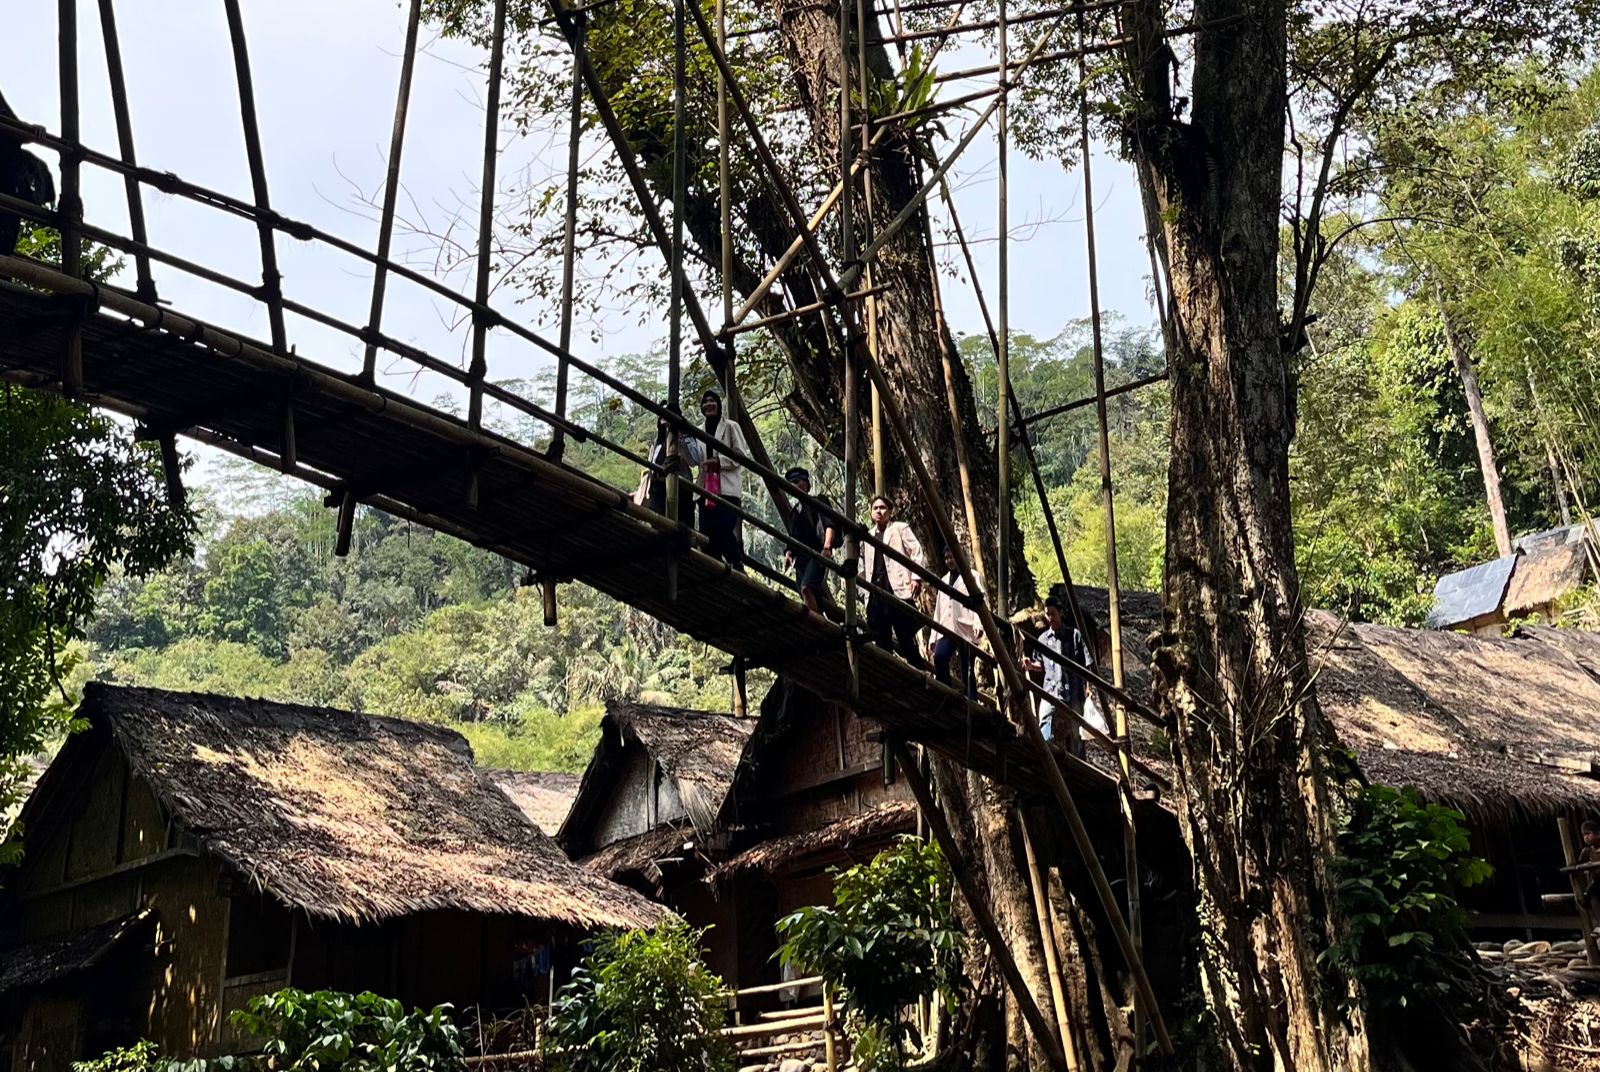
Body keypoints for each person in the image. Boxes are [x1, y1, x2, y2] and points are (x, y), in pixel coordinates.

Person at [858, 495, 928, 668]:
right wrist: (862, 590)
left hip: (897, 588)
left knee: (906, 637)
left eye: (883, 508)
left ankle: (920, 674)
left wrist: (916, 577)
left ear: (890, 512)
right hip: (875, 591)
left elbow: (917, 552)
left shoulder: (899, 528)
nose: (879, 512)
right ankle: (886, 675)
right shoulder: (867, 537)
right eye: (875, 508)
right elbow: (862, 565)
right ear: (871, 512)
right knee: (881, 639)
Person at [1021, 596, 1089, 755]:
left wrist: (1088, 688)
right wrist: (1030, 666)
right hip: (1051, 689)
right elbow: (1041, 664)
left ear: (1060, 613)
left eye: (1053, 613)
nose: (1050, 617)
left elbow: (1086, 663)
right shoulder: (1043, 639)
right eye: (1047, 614)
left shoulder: (1074, 636)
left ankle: (1079, 761)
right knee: (1044, 717)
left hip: (1073, 691)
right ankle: (1045, 752)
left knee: (1077, 730)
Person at [697, 389, 748, 569]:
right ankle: (715, 571)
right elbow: (695, 459)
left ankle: (736, 562)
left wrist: (719, 462)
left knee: (723, 531)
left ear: (719, 405)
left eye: (712, 401)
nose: (709, 404)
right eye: (705, 402)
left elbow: (741, 455)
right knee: (707, 535)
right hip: (705, 489)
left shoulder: (731, 427)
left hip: (727, 489)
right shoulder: (698, 431)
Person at [782, 467, 839, 615]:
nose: (793, 486)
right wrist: (788, 553)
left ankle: (813, 622)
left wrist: (827, 547)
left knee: (806, 587)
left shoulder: (818, 501)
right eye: (791, 483)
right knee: (809, 593)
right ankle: (820, 616)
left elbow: (829, 524)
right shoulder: (794, 512)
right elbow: (793, 537)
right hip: (801, 559)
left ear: (807, 485)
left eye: (797, 482)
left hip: (816, 554)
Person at [931, 545, 982, 699]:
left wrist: (978, 624)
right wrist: (933, 637)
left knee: (967, 667)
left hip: (965, 627)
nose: (949, 561)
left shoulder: (972, 576)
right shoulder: (944, 580)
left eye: (952, 557)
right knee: (939, 657)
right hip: (947, 627)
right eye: (946, 558)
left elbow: (980, 603)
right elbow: (938, 610)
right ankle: (945, 692)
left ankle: (971, 700)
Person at [640, 401, 702, 520]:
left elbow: (694, 461)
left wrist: (680, 439)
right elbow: (652, 466)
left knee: (681, 524)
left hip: (681, 489)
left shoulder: (686, 436)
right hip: (658, 489)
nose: (663, 415)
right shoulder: (657, 442)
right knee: (658, 523)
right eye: (661, 412)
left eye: (668, 412)